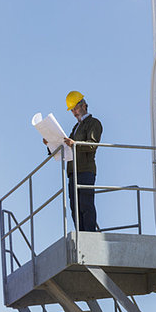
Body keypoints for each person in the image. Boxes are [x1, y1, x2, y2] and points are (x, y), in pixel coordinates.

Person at [43, 91, 102, 231]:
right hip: (73, 171)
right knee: (75, 207)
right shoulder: (76, 128)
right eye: (73, 110)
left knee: (86, 204)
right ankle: (81, 234)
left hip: (86, 170)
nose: (74, 112)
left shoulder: (94, 123)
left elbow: (92, 145)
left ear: (84, 105)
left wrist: (74, 144)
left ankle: (90, 234)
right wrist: (50, 143)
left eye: (76, 108)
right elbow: (66, 146)